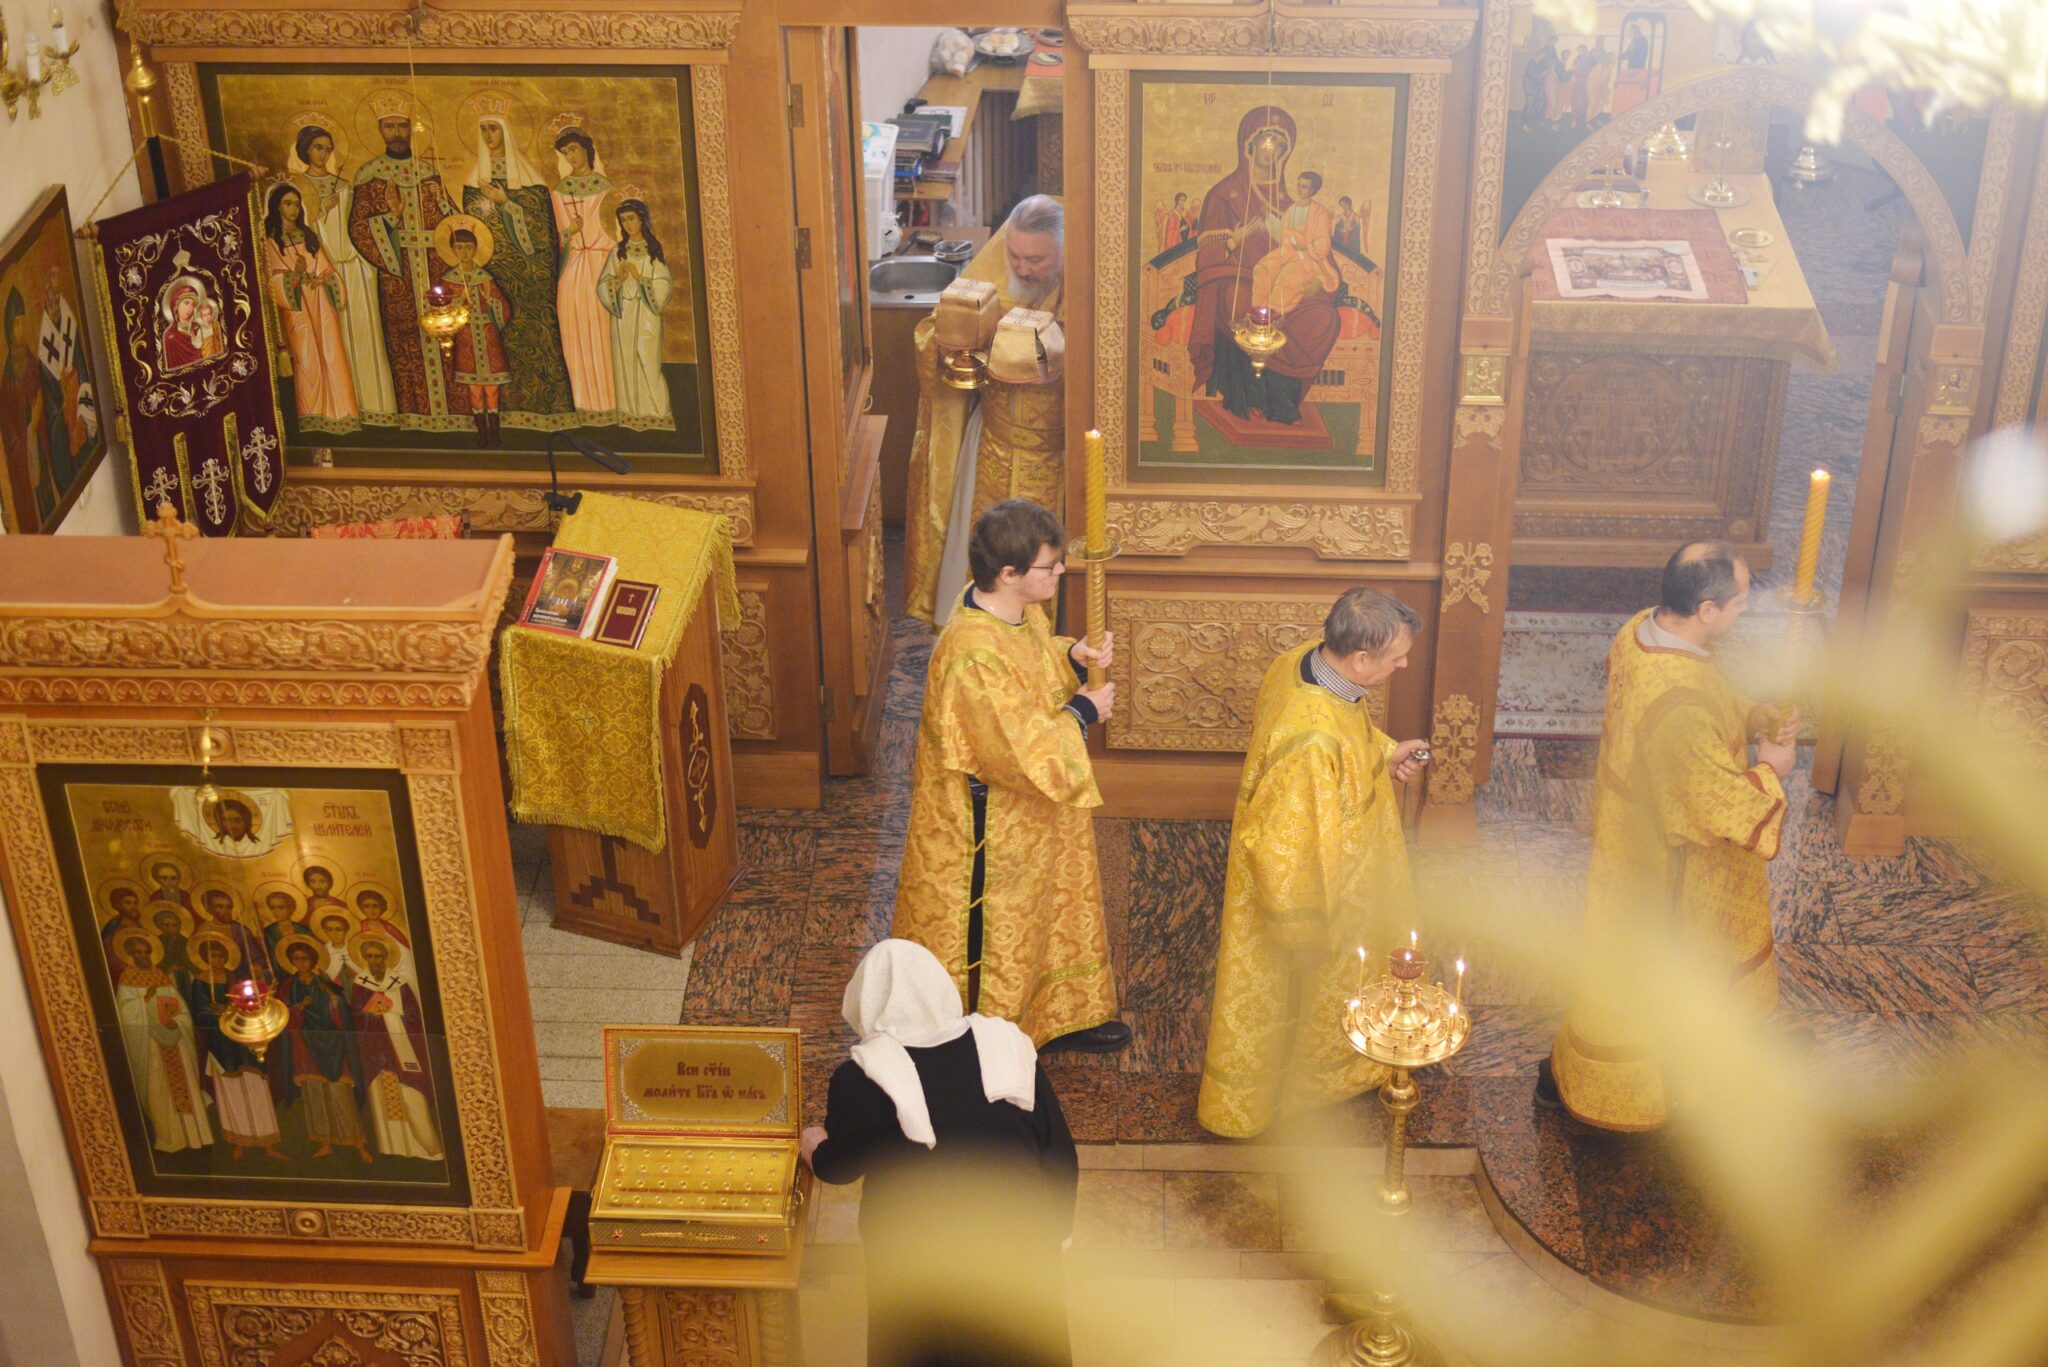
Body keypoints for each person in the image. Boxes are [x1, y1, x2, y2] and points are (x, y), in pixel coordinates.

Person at [1541, 542, 1797, 1130]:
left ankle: (1574, 1074)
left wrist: (1751, 714)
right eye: (1739, 603)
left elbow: (1706, 695)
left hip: (1626, 834)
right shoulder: (1677, 704)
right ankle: (1654, 1093)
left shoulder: (1640, 632)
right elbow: (1717, 805)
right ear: (1706, 610)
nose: (1745, 611)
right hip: (1669, 866)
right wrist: (1772, 767)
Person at [893, 499, 1127, 1051]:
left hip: (1031, 816)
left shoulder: (1012, 609)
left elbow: (1030, 664)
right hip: (988, 833)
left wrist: (1071, 656)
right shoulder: (972, 656)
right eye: (1050, 565)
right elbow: (1014, 752)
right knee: (1005, 929)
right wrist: (1082, 712)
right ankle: (994, 1037)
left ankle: (1061, 1012)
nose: (1061, 571)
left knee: (1049, 907)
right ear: (1008, 573)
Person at [1197, 589, 1431, 1138]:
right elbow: (1285, 848)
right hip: (1319, 893)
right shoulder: (1309, 741)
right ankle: (1302, 1091)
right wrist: (1304, 931)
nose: (1403, 665)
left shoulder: (1307, 660)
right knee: (1303, 990)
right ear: (1361, 659)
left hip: (1354, 861)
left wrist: (1385, 752)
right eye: (1397, 657)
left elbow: (1347, 740)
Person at [802, 939, 1078, 1367]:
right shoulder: (1005, 1044)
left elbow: (839, 1166)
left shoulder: (862, 1077)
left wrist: (814, 1145)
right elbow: (1058, 1151)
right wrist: (1053, 1234)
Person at [902, 195, 1067, 626]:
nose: (1022, 269)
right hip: (992, 442)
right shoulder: (996, 268)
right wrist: (959, 336)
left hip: (1058, 457)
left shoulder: (1085, 288)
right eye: (1014, 256)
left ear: (1063, 252)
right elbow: (934, 330)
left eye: (1035, 260)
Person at [1187, 109, 1341, 428]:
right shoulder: (1223, 195)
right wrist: (1233, 241)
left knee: (1323, 317)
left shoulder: (1291, 201)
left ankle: (1283, 403)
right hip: (1237, 276)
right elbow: (1206, 256)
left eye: (1280, 146)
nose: (1272, 151)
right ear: (1249, 144)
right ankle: (1249, 398)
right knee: (1242, 307)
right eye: (1266, 141)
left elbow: (1317, 245)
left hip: (1291, 276)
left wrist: (1317, 280)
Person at [349, 97, 461, 421]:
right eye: (390, 126)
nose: (397, 132)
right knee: (403, 339)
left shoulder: (428, 172)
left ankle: (452, 413)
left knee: (449, 333)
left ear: (411, 129)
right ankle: (414, 413)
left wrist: (446, 208)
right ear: (380, 130)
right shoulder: (369, 176)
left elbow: (452, 220)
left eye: (402, 126)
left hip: (436, 266)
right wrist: (391, 217)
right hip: (396, 274)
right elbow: (359, 228)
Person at [460, 113, 573, 416]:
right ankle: (503, 409)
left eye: (493, 129)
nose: (488, 135)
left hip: (530, 277)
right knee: (497, 341)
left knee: (537, 336)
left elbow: (542, 234)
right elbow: (472, 229)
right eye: (483, 130)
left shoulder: (531, 182)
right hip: (494, 273)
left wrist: (506, 203)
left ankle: (547, 405)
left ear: (505, 133)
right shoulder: (473, 183)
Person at [293, 123, 397, 416]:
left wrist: (391, 215)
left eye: (328, 149)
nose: (323, 154)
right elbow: (292, 231)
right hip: (318, 269)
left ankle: (372, 404)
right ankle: (337, 407)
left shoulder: (345, 187)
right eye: (318, 148)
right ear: (305, 150)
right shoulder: (297, 188)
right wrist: (320, 211)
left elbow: (359, 227)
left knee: (363, 333)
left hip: (353, 268)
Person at [183, 929, 287, 1161]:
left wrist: (242, 1007)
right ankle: (239, 1143)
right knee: (230, 1092)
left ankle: (268, 1143)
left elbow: (251, 1003)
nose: (218, 960)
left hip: (244, 1042)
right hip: (221, 1045)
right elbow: (199, 1014)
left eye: (221, 955)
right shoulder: (201, 982)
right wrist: (221, 1015)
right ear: (205, 958)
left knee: (257, 1089)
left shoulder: (237, 979)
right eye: (213, 956)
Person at [264, 181, 359, 423]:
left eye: (297, 204)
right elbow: (272, 282)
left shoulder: (308, 236)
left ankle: (342, 413)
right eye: (288, 204)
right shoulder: (271, 243)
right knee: (307, 360)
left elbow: (327, 269)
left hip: (321, 302)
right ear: (277, 207)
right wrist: (295, 275)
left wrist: (323, 280)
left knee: (332, 354)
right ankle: (313, 415)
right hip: (298, 308)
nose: (293, 209)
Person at [112, 929, 213, 1153]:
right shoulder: (128, 979)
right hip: (152, 1045)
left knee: (187, 1087)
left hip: (176, 1044)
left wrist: (177, 1022)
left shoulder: (161, 976)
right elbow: (125, 1012)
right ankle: (170, 1139)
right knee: (159, 1089)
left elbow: (182, 1009)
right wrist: (145, 1001)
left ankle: (196, 1135)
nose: (143, 956)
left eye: (146, 952)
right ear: (130, 955)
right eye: (138, 952)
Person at [349, 935, 444, 1161]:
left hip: (403, 1051)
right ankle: (395, 1149)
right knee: (384, 1101)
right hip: (376, 1052)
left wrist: (390, 1014)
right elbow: (355, 1017)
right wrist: (372, 1016)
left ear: (385, 957)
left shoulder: (399, 984)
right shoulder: (361, 984)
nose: (374, 960)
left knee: (414, 1098)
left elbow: (414, 1017)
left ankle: (430, 1149)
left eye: (378, 956)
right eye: (369, 956)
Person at [277, 936, 370, 1162]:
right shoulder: (288, 986)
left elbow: (342, 1010)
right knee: (315, 1095)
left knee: (340, 1093)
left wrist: (332, 998)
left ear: (313, 960)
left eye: (305, 958)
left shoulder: (323, 981)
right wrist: (300, 1007)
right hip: (306, 1046)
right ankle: (325, 1143)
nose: (301, 962)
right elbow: (282, 1015)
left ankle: (358, 1144)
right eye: (296, 958)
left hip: (333, 1045)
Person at [548, 128, 617, 417]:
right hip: (573, 265)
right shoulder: (559, 191)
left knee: (601, 329)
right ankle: (581, 402)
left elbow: (615, 229)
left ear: (587, 149)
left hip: (601, 263)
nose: (571, 156)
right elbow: (554, 237)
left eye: (574, 149)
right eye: (565, 152)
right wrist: (569, 231)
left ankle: (608, 401)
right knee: (573, 328)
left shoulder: (607, 188)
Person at [596, 198, 675, 425]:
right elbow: (602, 286)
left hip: (647, 313)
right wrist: (618, 280)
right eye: (623, 220)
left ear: (642, 220)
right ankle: (630, 414)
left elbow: (664, 284)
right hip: (623, 315)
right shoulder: (617, 252)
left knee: (649, 362)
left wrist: (640, 278)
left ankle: (658, 414)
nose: (628, 224)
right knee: (625, 361)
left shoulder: (653, 251)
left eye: (631, 219)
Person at [442, 226, 511, 445]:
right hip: (467, 338)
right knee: (474, 391)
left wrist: (490, 300)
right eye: (459, 248)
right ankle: (482, 435)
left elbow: (504, 311)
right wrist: (459, 301)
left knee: (492, 390)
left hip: (488, 337)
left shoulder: (485, 278)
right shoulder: (450, 280)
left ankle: (495, 433)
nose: (464, 252)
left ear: (475, 249)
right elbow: (443, 314)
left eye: (468, 247)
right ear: (453, 250)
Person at [1250, 171, 1341, 316]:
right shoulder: (1291, 209)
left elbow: (1324, 241)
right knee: (1261, 269)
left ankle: (1272, 315)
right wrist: (1268, 216)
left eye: (1304, 187)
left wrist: (1305, 246)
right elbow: (1281, 233)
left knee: (1287, 278)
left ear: (1313, 190)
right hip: (1285, 252)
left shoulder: (1319, 212)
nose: (1299, 190)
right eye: (1299, 186)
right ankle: (1257, 313)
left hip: (1305, 257)